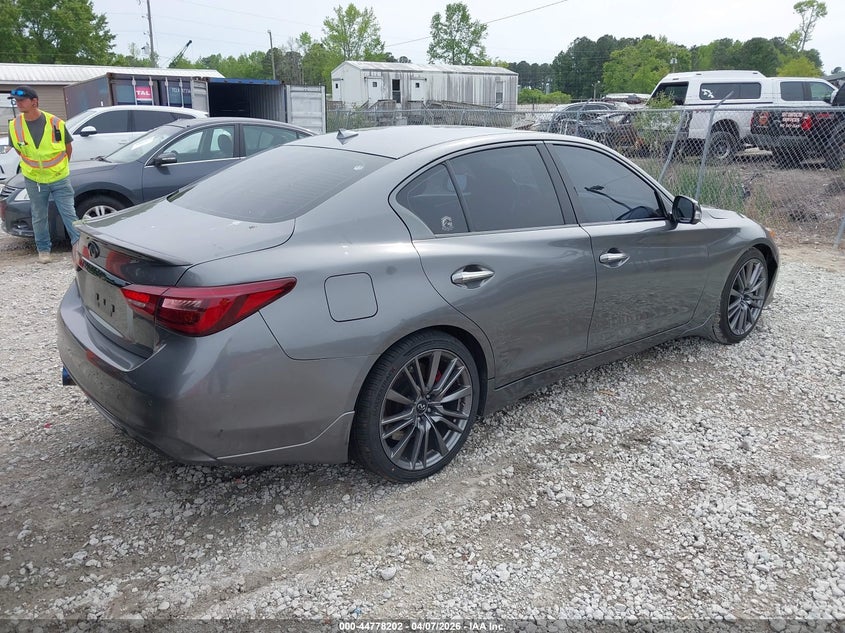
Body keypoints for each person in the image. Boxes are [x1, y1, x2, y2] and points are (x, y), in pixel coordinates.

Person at [7, 85, 79, 263]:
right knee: (39, 216)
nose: (19, 104)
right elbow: (19, 151)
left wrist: (59, 167)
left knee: (69, 213)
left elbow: (68, 147)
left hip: (59, 177)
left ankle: (79, 247)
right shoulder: (14, 125)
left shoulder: (55, 123)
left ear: (35, 102)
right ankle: (44, 250)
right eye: (17, 101)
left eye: (22, 100)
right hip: (34, 179)